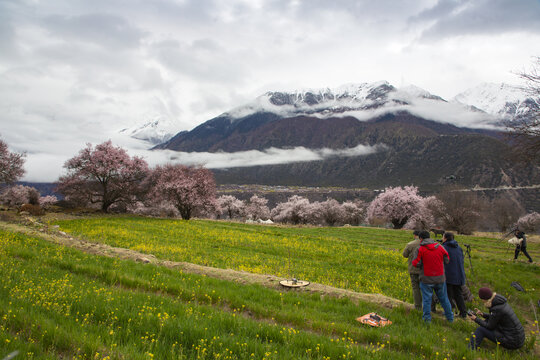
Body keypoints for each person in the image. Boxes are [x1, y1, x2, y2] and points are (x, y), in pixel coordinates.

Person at [412, 230, 454, 323]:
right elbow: (447, 260)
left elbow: (415, 263)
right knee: (444, 299)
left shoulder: (420, 249)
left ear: (421, 239)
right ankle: (450, 318)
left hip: (426, 279)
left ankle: (427, 320)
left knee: (427, 300)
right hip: (440, 278)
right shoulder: (440, 247)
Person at [441, 232, 467, 318]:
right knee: (458, 294)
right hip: (459, 274)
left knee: (448, 294)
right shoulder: (458, 248)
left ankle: (449, 312)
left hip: (448, 274)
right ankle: (463, 313)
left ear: (445, 238)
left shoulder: (444, 247)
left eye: (443, 237)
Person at [402, 230, 422, 310]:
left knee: (415, 288)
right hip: (425, 270)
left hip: (413, 269)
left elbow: (405, 255)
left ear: (414, 235)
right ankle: (430, 307)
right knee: (426, 288)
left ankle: (418, 307)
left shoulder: (410, 244)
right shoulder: (429, 245)